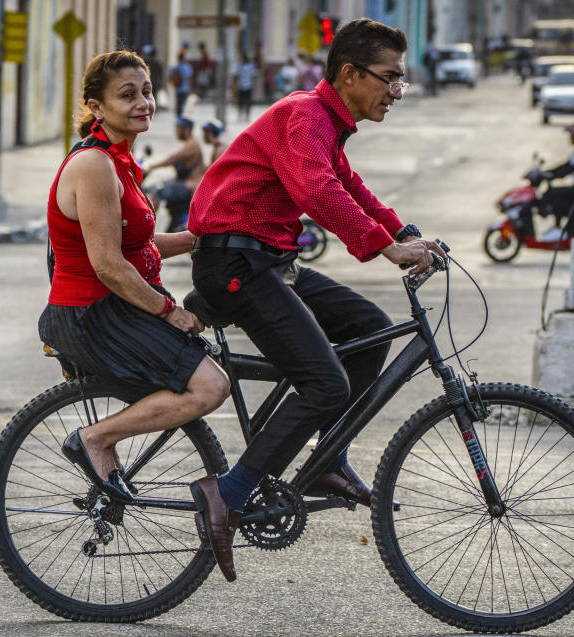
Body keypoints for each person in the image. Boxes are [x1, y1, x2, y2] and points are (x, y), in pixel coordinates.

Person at [188, 18, 445, 582]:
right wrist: (385, 250)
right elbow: (317, 191)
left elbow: (350, 187)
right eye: (390, 78)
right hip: (237, 264)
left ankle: (327, 458)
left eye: (401, 81)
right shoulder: (305, 115)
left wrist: (403, 233)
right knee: (325, 382)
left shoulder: (329, 121)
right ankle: (229, 493)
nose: (396, 91)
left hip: (269, 261)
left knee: (367, 326)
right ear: (349, 74)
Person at [38, 51, 230, 504]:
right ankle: (95, 439)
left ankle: (103, 449)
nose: (144, 102)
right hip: (93, 311)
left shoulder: (118, 160)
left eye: (147, 91)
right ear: (96, 107)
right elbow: (107, 264)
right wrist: (169, 311)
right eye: (128, 95)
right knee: (211, 385)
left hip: (111, 304)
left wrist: (199, 238)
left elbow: (136, 246)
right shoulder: (94, 166)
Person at [142, 115, 205, 231]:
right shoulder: (189, 143)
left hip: (191, 184)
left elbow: (172, 159)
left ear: (186, 129)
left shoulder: (192, 145)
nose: (176, 131)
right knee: (158, 186)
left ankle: (146, 225)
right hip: (185, 182)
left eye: (178, 128)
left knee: (158, 191)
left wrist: (151, 167)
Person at [233, 52, 257, 121]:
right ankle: (241, 114)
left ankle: (246, 115)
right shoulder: (240, 65)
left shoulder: (251, 65)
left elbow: (253, 75)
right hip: (242, 86)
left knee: (247, 101)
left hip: (248, 85)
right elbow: (237, 75)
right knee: (241, 101)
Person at [169, 52, 193, 117]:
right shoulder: (187, 67)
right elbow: (189, 78)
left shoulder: (175, 67)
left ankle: (179, 116)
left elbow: (170, 76)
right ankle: (183, 115)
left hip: (178, 88)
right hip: (185, 88)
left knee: (179, 103)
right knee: (184, 103)